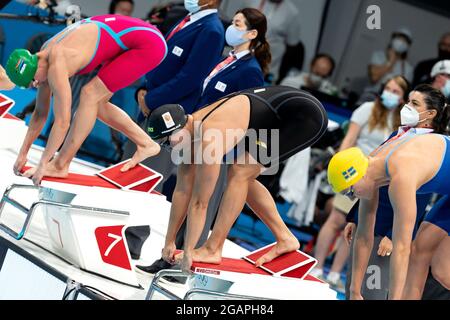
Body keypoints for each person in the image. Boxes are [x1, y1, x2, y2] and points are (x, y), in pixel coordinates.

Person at [136, 7, 269, 275]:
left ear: (252, 33)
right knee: (182, 193)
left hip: (218, 144)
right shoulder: (225, 60)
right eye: (234, 21)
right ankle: (168, 254)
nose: (232, 27)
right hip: (196, 136)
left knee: (201, 203)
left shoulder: (250, 71)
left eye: (239, 23)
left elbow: (248, 114)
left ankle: (188, 260)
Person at [143, 86, 328, 272]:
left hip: (303, 116)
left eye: (167, 142)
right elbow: (182, 191)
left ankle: (213, 248)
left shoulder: (209, 138)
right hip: (276, 115)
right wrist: (170, 241)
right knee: (242, 175)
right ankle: (285, 238)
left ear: (178, 131)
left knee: (240, 173)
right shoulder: (190, 131)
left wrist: (189, 251)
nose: (168, 148)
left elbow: (200, 202)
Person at [4, 14, 167, 185]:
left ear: (34, 70)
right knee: (97, 103)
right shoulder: (42, 57)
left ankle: (61, 165)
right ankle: (146, 144)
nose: (37, 85)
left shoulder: (57, 64)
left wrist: (43, 164)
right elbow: (39, 114)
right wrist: (23, 153)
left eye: (34, 81)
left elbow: (62, 122)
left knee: (90, 95)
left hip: (148, 43)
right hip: (132, 37)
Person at [127, 0, 225, 275]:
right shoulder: (185, 18)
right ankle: (126, 235)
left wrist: (154, 99)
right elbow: (163, 61)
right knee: (134, 170)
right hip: (153, 104)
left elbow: (191, 78)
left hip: (172, 115)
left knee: (149, 177)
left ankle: (132, 241)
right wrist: (144, 90)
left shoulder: (212, 30)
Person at [327, 86, 450, 300]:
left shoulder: (401, 174)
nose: (353, 196)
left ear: (359, 177)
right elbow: (364, 237)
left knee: (441, 269)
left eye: (351, 191)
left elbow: (401, 248)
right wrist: (355, 292)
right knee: (421, 252)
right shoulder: (370, 167)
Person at [310, 76, 407, 288]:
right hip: (352, 175)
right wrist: (339, 168)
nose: (390, 93)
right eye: (388, 88)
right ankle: (317, 268)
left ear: (402, 98)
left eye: (396, 91)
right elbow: (349, 139)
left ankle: (335, 274)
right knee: (336, 219)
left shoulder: (402, 121)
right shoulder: (368, 109)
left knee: (358, 226)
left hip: (378, 182)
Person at [241, 0, 302, 83]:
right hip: (242, 60)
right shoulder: (252, 1)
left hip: (268, 70)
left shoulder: (291, 12)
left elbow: (292, 44)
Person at [361, 28, 414, 103]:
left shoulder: (408, 68)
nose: (401, 42)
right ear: (393, 40)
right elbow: (374, 79)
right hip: (371, 97)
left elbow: (404, 91)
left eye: (404, 41)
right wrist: (390, 62)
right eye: (399, 39)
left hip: (391, 102)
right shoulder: (378, 56)